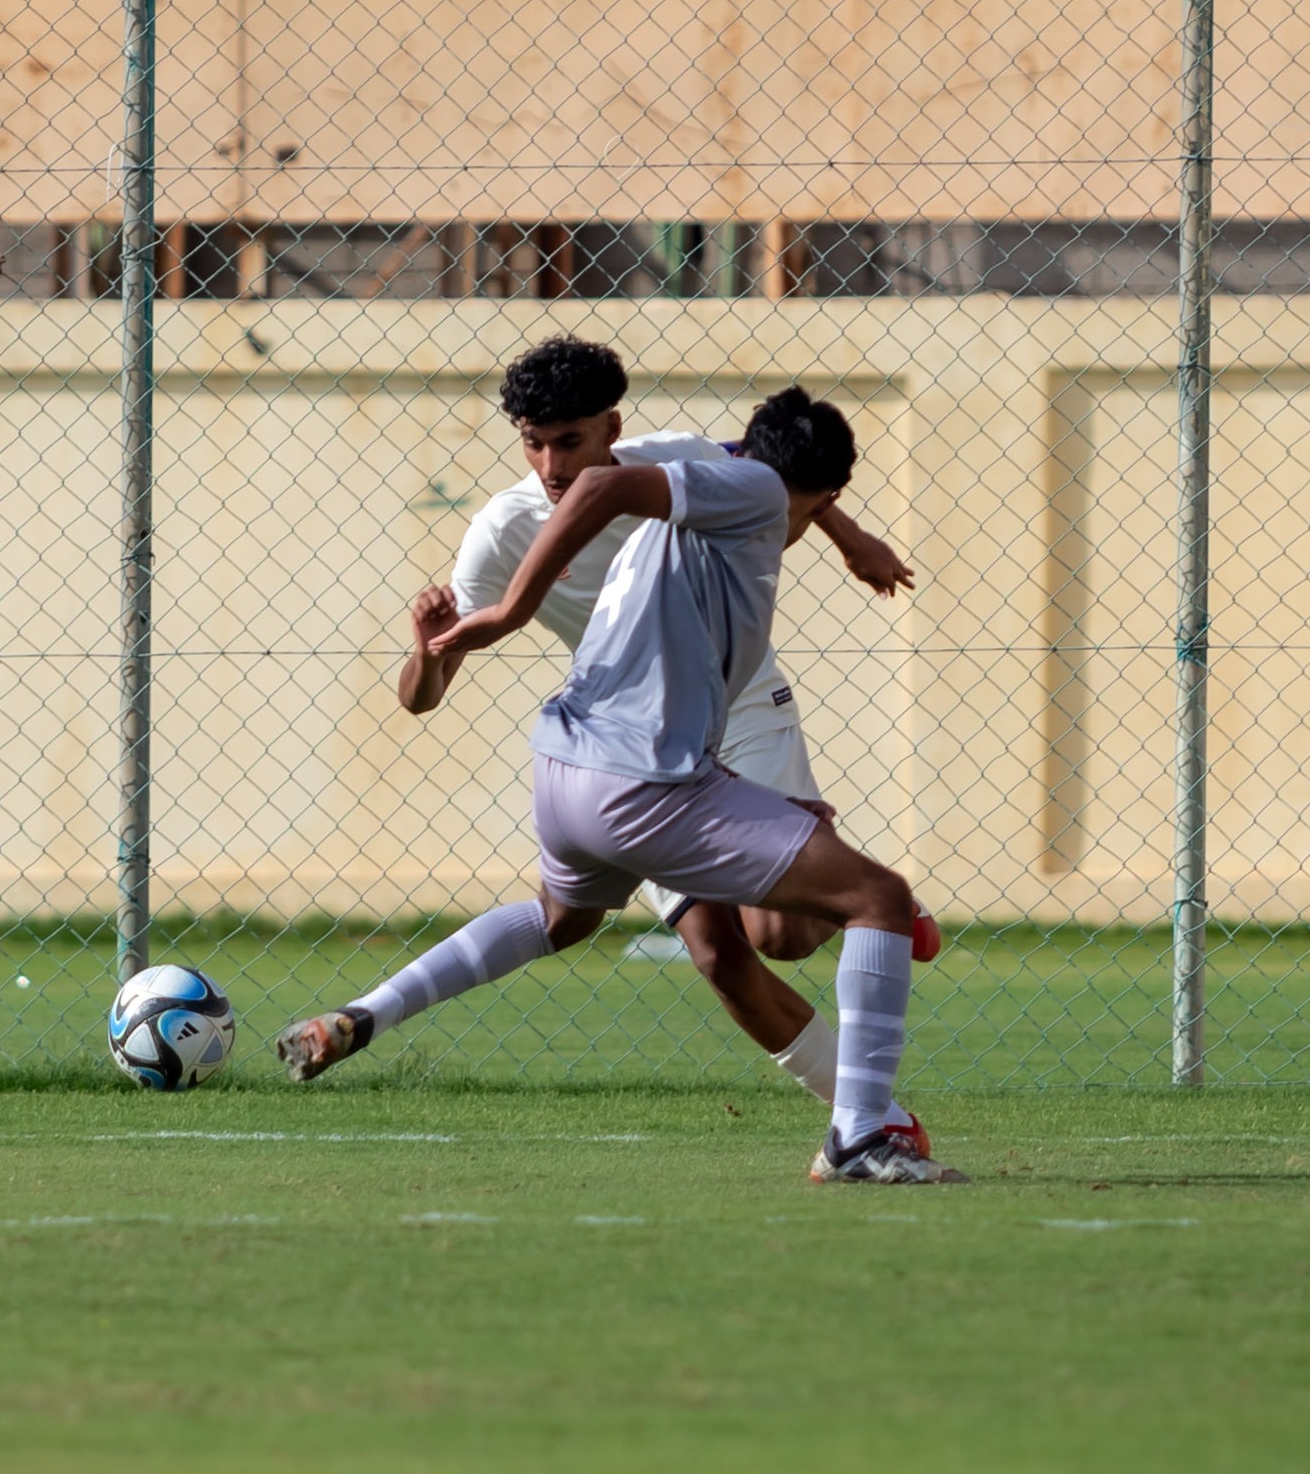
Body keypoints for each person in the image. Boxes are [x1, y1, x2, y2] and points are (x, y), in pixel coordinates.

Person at [281, 379, 966, 1184]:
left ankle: (364, 1014)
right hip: (651, 766)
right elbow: (730, 482)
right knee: (850, 905)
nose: (552, 464)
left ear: (611, 427)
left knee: (589, 920)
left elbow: (770, 466)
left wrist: (845, 535)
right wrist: (491, 621)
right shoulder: (541, 517)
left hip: (587, 752)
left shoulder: (678, 464)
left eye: (569, 441)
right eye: (534, 441)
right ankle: (861, 1125)